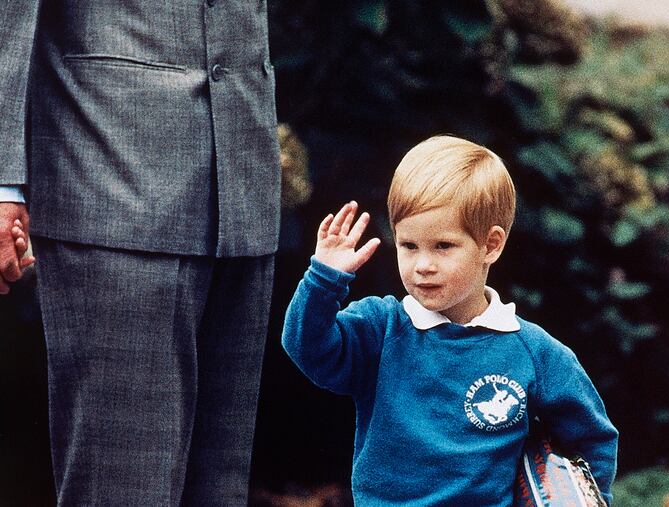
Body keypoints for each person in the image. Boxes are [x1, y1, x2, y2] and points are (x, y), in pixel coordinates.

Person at [0, 2, 280, 505]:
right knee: (122, 493)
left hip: (244, 187)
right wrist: (2, 182)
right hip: (108, 176)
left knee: (219, 491)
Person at [282, 135, 618, 506]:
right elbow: (307, 347)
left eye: (442, 246)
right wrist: (322, 279)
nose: (423, 265)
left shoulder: (536, 353)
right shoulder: (381, 327)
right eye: (408, 246)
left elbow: (592, 440)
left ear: (490, 245)